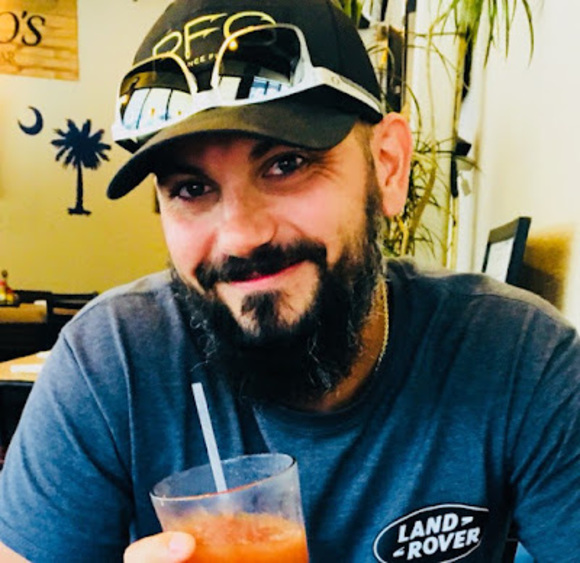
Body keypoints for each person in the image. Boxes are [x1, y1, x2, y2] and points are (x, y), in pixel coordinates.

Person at [1, 0, 579, 561]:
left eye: (285, 164)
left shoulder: (519, 357)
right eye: (191, 189)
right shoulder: (108, 365)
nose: (240, 237)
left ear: (388, 167)